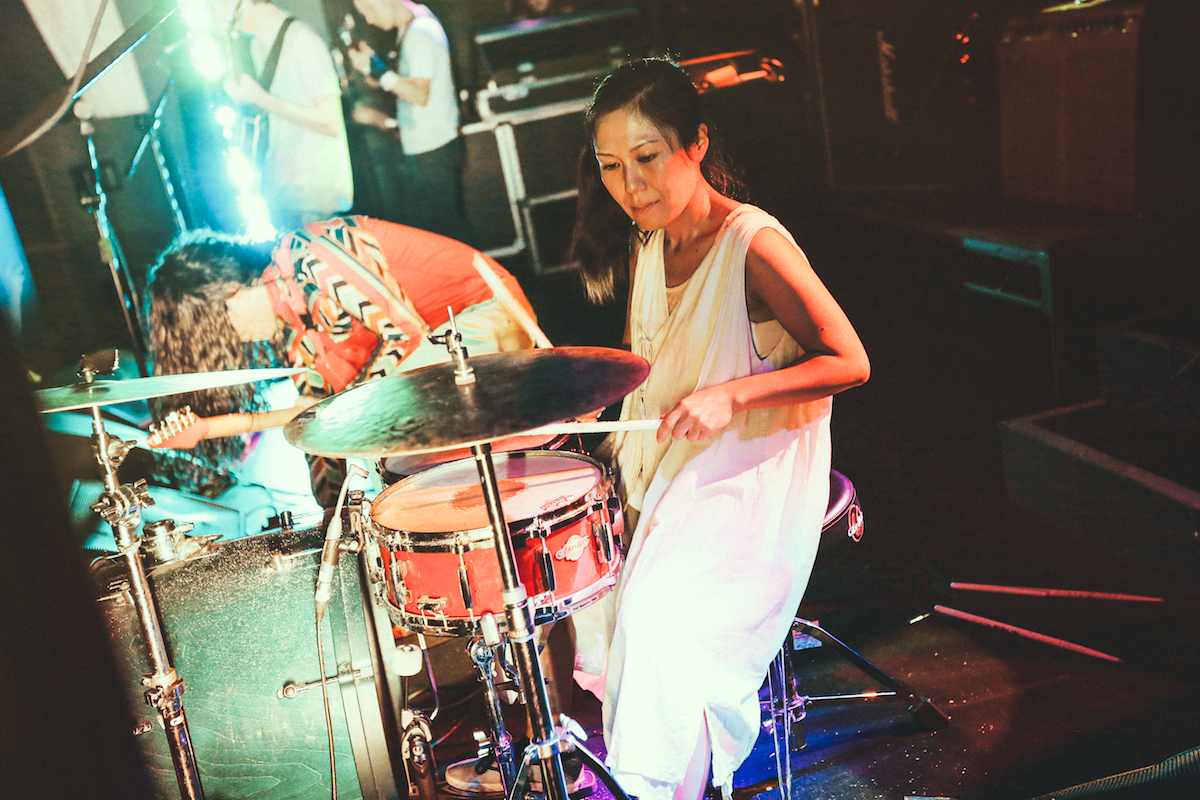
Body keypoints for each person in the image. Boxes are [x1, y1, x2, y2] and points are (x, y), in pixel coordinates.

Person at [568, 57, 870, 800]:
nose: (629, 185)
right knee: (590, 590)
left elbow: (851, 361)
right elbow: (664, 368)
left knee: (662, 625)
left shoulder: (752, 245)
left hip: (752, 473)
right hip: (675, 469)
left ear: (695, 144)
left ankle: (664, 784)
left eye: (647, 159)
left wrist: (734, 397)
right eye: (611, 166)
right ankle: (651, 772)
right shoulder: (650, 244)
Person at [144, 215, 535, 503]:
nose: (237, 340)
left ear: (230, 288)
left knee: (389, 408)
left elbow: (405, 336)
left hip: (485, 313)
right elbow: (314, 418)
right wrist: (332, 512)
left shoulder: (306, 253)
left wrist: (342, 411)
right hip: (437, 352)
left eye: (222, 329)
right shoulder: (295, 332)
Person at [346, 0, 473, 243]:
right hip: (430, 147)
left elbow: (419, 94)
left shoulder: (420, 34)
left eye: (370, 10)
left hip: (431, 150)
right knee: (444, 235)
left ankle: (481, 279)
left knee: (447, 237)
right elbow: (408, 83)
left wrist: (380, 73)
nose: (370, 19)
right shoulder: (414, 28)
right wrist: (373, 68)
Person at [223, 0, 355, 230]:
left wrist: (260, 98)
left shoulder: (302, 41)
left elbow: (331, 123)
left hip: (317, 195)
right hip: (291, 191)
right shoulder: (259, 46)